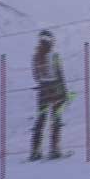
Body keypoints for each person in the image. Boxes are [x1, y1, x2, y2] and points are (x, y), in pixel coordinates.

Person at [30, 30, 68, 161]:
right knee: (56, 119)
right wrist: (65, 93)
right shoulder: (55, 56)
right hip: (56, 90)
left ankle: (35, 151)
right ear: (51, 41)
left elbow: (35, 75)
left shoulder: (35, 57)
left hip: (42, 92)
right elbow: (60, 74)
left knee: (41, 119)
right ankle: (54, 149)